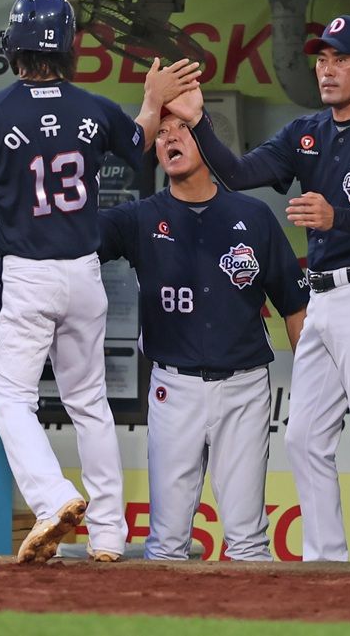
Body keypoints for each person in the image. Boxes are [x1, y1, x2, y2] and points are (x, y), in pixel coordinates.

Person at [0, 0, 201, 565]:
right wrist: (151, 100)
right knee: (89, 402)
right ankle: (108, 534)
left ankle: (52, 499)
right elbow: (139, 143)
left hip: (24, 272)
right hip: (84, 274)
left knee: (9, 396)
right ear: (68, 47)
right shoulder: (92, 108)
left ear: (13, 45)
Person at [168, 15, 350, 561]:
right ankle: (326, 562)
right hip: (322, 299)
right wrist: (197, 123)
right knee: (303, 438)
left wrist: (340, 218)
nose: (327, 70)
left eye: (341, 59)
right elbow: (238, 174)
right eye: (322, 59)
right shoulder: (306, 131)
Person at [98, 109, 308, 560]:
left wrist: (309, 388)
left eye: (184, 129)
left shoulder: (253, 216)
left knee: (248, 540)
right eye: (162, 132)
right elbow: (80, 238)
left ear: (207, 140)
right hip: (173, 388)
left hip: (245, 386)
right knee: (167, 541)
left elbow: (294, 305)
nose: (171, 137)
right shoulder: (139, 218)